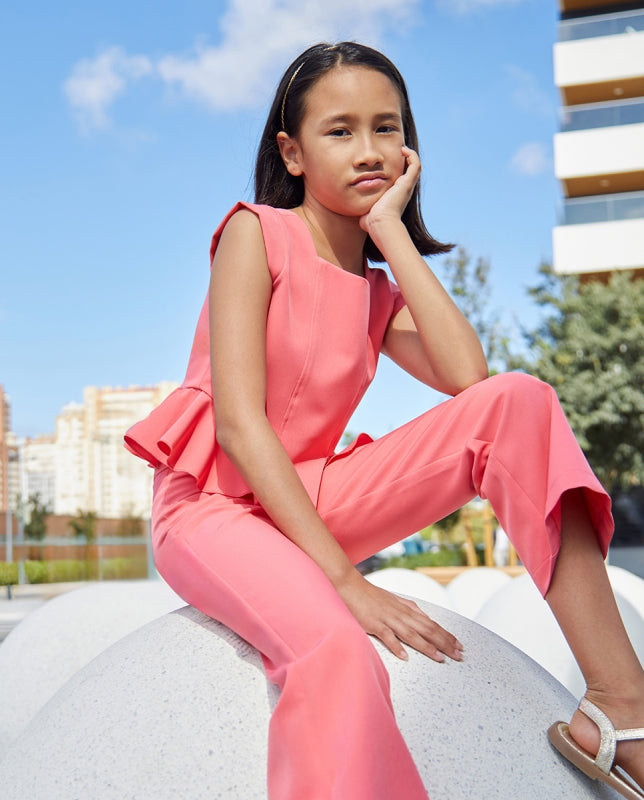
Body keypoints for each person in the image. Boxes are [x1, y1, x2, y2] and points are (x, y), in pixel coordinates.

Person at [124, 41, 644, 800]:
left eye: (386, 128)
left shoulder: (375, 289)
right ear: (292, 152)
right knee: (337, 647)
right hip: (212, 509)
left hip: (310, 497)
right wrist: (345, 581)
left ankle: (622, 707)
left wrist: (391, 232)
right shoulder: (254, 233)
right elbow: (238, 425)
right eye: (340, 131)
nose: (368, 150)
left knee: (520, 402)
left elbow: (471, 381)